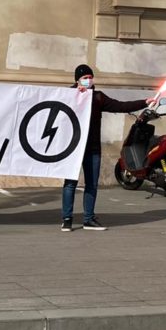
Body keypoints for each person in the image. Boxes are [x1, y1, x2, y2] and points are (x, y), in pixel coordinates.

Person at [62, 64, 154, 231]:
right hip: (73, 149)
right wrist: (74, 94)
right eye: (84, 78)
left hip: (93, 149)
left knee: (92, 184)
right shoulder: (67, 96)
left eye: (90, 77)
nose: (88, 80)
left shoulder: (98, 98)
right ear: (77, 80)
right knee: (70, 184)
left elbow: (120, 106)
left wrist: (144, 102)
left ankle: (88, 219)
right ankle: (66, 219)